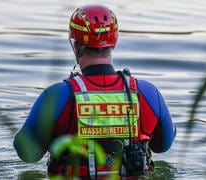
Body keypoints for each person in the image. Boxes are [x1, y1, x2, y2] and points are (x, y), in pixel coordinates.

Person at [14, 4, 176, 178]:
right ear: (114, 41)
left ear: (76, 45)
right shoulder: (148, 94)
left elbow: (27, 154)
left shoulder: (55, 96)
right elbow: (163, 145)